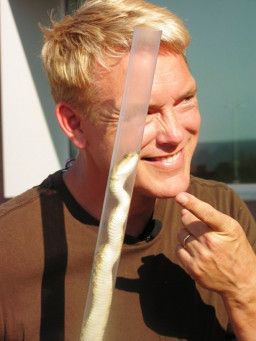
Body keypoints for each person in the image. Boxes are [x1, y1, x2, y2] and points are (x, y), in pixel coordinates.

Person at [0, 0, 256, 340]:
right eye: (143, 113)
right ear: (75, 124)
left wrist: (245, 292)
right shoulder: (10, 247)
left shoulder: (220, 213)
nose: (175, 134)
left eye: (185, 100)